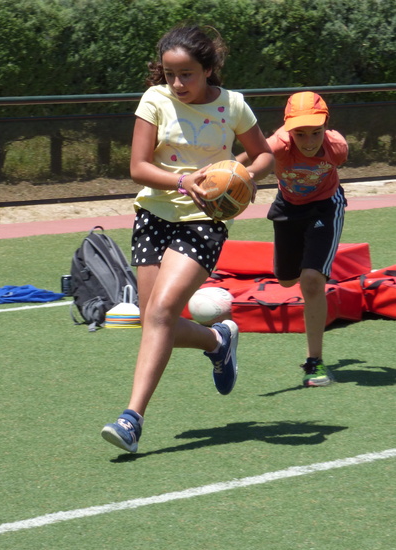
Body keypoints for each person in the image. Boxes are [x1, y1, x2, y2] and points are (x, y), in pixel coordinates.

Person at [101, 24, 274, 453]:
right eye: (169, 73)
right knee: (153, 321)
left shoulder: (233, 105)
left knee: (160, 312)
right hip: (153, 215)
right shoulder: (154, 100)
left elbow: (266, 153)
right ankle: (219, 341)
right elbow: (139, 167)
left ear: (209, 69)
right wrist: (182, 181)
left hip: (204, 222)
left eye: (187, 74)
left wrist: (243, 177)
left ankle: (132, 419)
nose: (177, 83)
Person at [237, 91, 348, 387]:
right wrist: (233, 178)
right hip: (288, 207)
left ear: (326, 126)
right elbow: (240, 162)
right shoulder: (276, 145)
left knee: (311, 281)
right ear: (288, 130)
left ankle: (315, 362)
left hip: (325, 206)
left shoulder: (337, 147)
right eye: (301, 134)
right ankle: (317, 271)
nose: (310, 142)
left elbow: (330, 159)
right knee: (287, 280)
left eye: (316, 132)